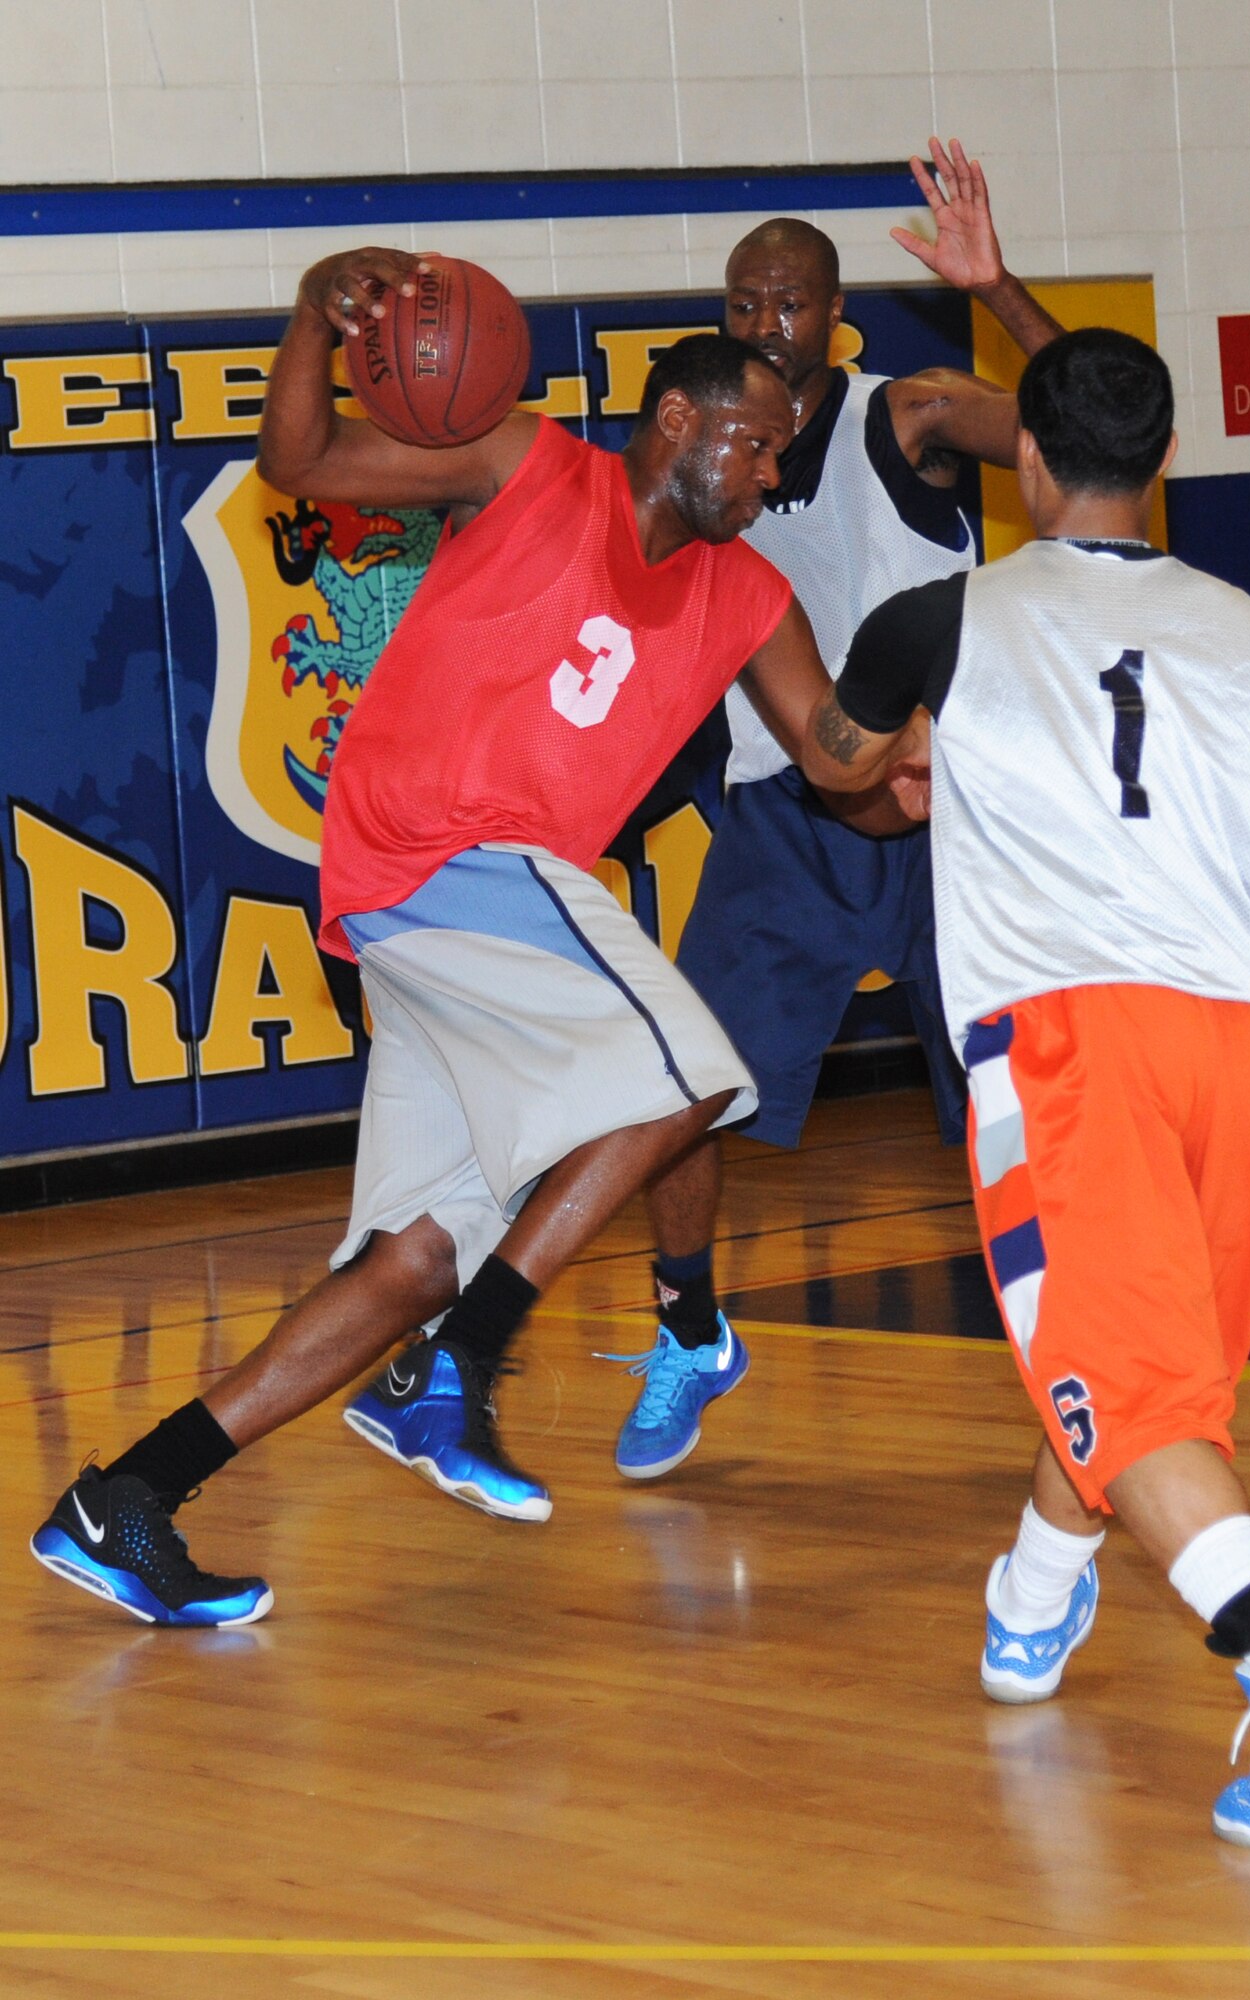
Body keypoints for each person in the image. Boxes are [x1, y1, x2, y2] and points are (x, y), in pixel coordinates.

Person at [29, 248, 870, 1626]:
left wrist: (929, 750)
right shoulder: (530, 467)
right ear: (675, 419)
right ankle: (457, 1373)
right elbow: (297, 462)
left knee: (411, 1258)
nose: (775, 475)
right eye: (760, 443)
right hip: (449, 852)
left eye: (785, 455)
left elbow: (837, 758)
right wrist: (313, 314)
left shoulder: (748, 597)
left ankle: (128, 1499)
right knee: (696, 1075)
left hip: (443, 919)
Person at [800, 326, 1250, 1846]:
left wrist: (913, 767)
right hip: (1245, 1051)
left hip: (1069, 1041)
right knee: (1151, 1372)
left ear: (1021, 467)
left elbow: (835, 764)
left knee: (1125, 1383)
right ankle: (1030, 1599)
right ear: (1162, 466)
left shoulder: (937, 619)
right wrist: (1218, 860)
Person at [620, 140, 1065, 1479]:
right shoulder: (708, 463)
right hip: (784, 821)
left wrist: (993, 287)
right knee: (684, 1094)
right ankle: (688, 1328)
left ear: (834, 314)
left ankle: (1078, 1343)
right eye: (744, 304)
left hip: (951, 817)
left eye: (791, 302)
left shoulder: (908, 413)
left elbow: (1083, 424)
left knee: (1029, 1109)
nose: (766, 322)